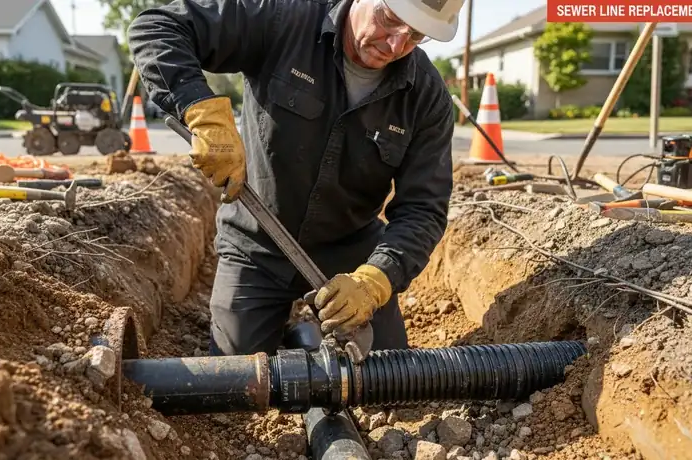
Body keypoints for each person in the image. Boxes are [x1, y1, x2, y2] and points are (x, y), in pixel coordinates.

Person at [128, 0, 464, 358]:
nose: (396, 45)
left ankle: (311, 336)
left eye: (415, 36)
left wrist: (376, 279)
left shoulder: (426, 97)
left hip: (350, 254)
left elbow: (423, 210)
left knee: (385, 372)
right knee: (237, 377)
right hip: (256, 245)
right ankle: (290, 335)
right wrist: (199, 110)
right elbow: (157, 27)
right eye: (390, 20)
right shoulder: (284, 19)